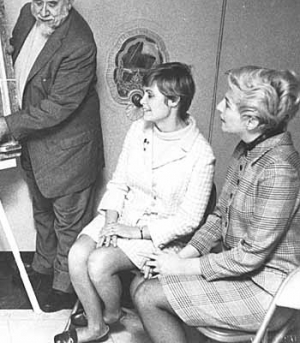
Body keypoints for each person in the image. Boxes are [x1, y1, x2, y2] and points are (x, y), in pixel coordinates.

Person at [133, 66, 300, 343]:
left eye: (228, 103)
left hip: (268, 290)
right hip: (241, 274)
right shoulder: (247, 149)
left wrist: (182, 267)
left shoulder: (279, 169)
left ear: (251, 121)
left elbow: (250, 255)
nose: (220, 106)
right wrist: (182, 256)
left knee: (148, 296)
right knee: (142, 284)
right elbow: (219, 216)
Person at [0, 0, 103, 312]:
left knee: (67, 222)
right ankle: (42, 270)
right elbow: (12, 57)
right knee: (43, 211)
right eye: (37, 2)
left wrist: (8, 125)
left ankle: (62, 290)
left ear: (70, 2)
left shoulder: (79, 44)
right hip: (36, 142)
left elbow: (58, 107)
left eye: (52, 5)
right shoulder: (28, 18)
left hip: (69, 149)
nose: (43, 12)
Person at [54, 62, 215, 343]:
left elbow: (189, 219)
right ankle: (96, 326)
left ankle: (112, 314)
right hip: (124, 216)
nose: (143, 100)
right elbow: (118, 183)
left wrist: (136, 233)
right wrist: (111, 222)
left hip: (160, 232)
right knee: (77, 254)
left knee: (99, 263)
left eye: (150, 95)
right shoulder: (138, 129)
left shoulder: (201, 154)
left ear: (174, 100)